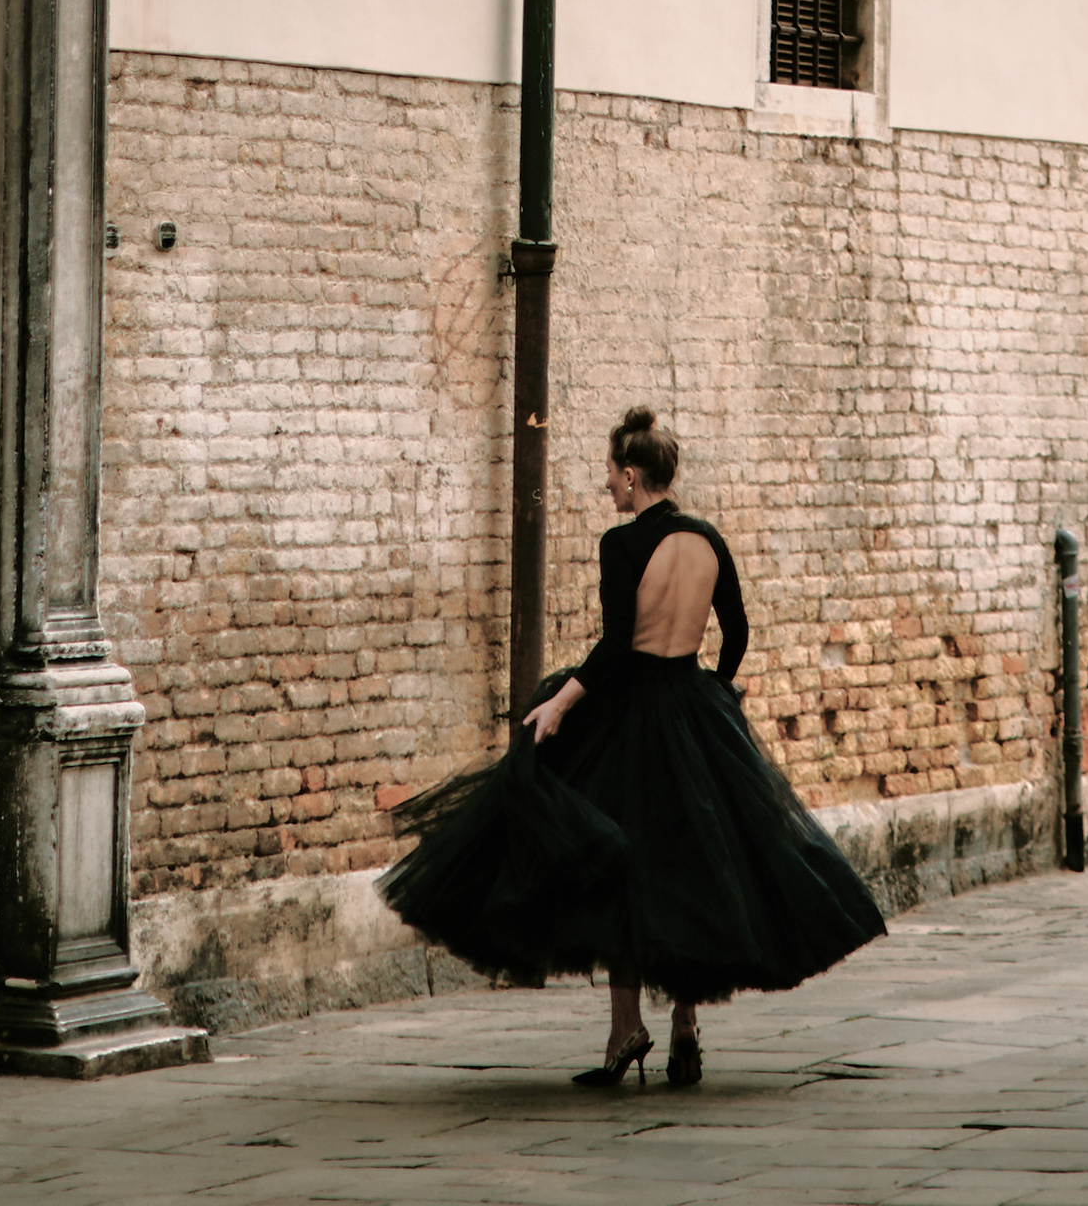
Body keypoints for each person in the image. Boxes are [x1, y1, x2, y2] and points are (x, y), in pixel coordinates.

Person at [379, 404, 885, 1088]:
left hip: (633, 715)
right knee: (691, 866)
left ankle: (625, 1028)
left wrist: (559, 700)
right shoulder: (707, 539)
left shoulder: (622, 545)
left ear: (635, 475)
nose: (606, 488)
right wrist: (715, 692)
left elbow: (618, 647)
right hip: (693, 706)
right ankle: (684, 1025)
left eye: (612, 475)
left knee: (615, 865)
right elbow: (735, 630)